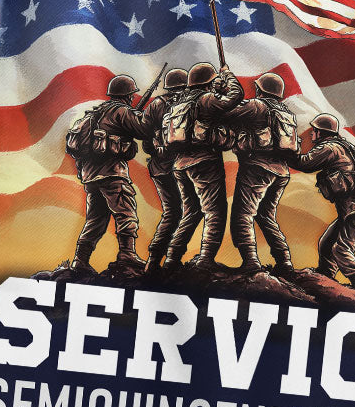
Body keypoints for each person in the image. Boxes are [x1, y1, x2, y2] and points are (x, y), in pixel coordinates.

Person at [66, 74, 157, 274]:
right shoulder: (121, 111)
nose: (133, 98)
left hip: (90, 176)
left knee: (95, 219)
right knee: (125, 212)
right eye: (131, 95)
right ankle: (127, 254)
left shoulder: (95, 114)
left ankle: (80, 261)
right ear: (126, 95)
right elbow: (143, 129)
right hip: (112, 173)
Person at [164, 61, 244, 269]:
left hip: (181, 165)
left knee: (191, 212)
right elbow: (235, 97)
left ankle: (172, 258)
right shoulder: (206, 100)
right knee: (214, 211)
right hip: (204, 163)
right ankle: (206, 260)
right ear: (209, 82)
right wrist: (229, 75)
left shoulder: (180, 103)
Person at [287, 113, 355, 289]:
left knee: (341, 249)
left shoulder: (330, 148)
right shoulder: (344, 147)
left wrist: (286, 148)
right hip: (353, 212)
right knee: (326, 243)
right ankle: (325, 278)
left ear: (322, 132)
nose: (311, 134)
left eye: (314, 131)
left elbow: (304, 163)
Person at [225, 71, 296, 272]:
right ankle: (285, 262)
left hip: (256, 168)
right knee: (266, 216)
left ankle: (251, 262)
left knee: (243, 215)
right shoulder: (285, 113)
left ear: (260, 89)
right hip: (280, 172)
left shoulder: (257, 106)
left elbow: (227, 112)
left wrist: (227, 88)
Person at [142, 67, 189, 270]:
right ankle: (167, 259)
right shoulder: (187, 103)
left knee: (174, 212)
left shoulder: (156, 105)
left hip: (161, 166)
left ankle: (156, 259)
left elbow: (144, 135)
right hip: (180, 166)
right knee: (184, 212)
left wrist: (155, 149)